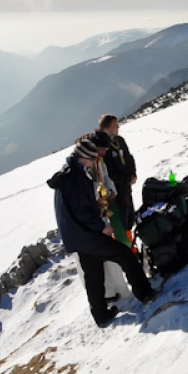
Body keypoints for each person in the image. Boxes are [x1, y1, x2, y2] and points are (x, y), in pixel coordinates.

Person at [49, 135, 155, 327]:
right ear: (82, 157)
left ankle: (100, 314)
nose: (92, 164)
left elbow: (78, 205)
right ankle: (145, 293)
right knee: (124, 254)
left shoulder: (69, 174)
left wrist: (95, 203)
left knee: (93, 273)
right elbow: (81, 211)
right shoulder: (74, 177)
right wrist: (101, 227)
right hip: (86, 235)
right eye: (91, 160)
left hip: (77, 236)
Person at [95, 114, 137, 232]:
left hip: (126, 186)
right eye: (115, 125)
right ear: (107, 128)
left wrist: (133, 174)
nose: (118, 127)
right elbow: (108, 171)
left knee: (130, 217)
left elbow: (129, 158)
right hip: (115, 189)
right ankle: (123, 245)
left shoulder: (120, 140)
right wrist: (125, 180)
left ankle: (130, 245)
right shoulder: (102, 146)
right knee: (120, 220)